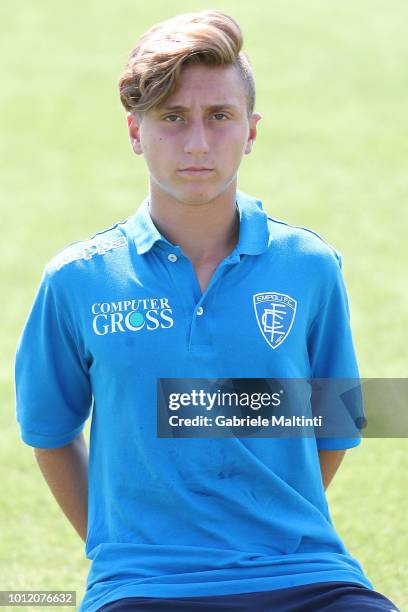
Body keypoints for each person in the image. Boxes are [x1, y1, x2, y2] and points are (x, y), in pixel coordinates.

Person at [14, 9, 399, 612]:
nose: (196, 142)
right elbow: (51, 433)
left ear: (250, 130)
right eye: (172, 118)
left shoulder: (310, 265)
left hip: (308, 575)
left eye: (219, 117)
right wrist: (120, 547)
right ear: (135, 131)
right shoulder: (77, 279)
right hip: (142, 588)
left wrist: (269, 527)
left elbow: (334, 422)